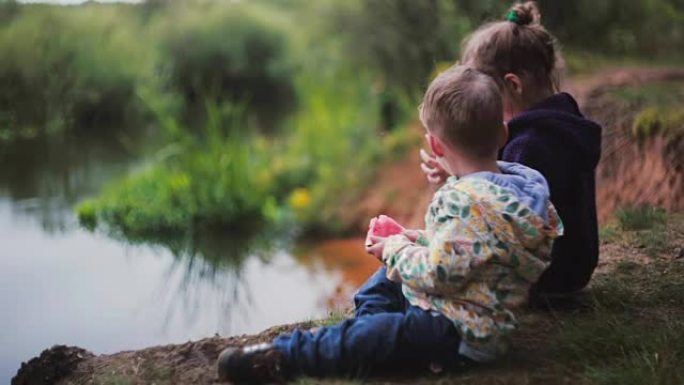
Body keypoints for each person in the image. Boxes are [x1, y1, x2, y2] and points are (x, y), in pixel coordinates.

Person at [216, 65, 563, 384]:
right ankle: (374, 343)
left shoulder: (461, 199)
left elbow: (439, 272)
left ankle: (284, 357)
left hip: (461, 333)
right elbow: (477, 246)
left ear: (434, 144)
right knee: (378, 286)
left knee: (377, 324)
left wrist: (397, 249)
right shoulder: (524, 189)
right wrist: (418, 239)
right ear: (503, 133)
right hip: (465, 301)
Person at [421, 1, 602, 295]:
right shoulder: (564, 122)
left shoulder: (529, 146)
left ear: (513, 86)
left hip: (547, 279)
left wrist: (451, 184)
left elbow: (493, 223)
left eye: (487, 97)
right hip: (574, 268)